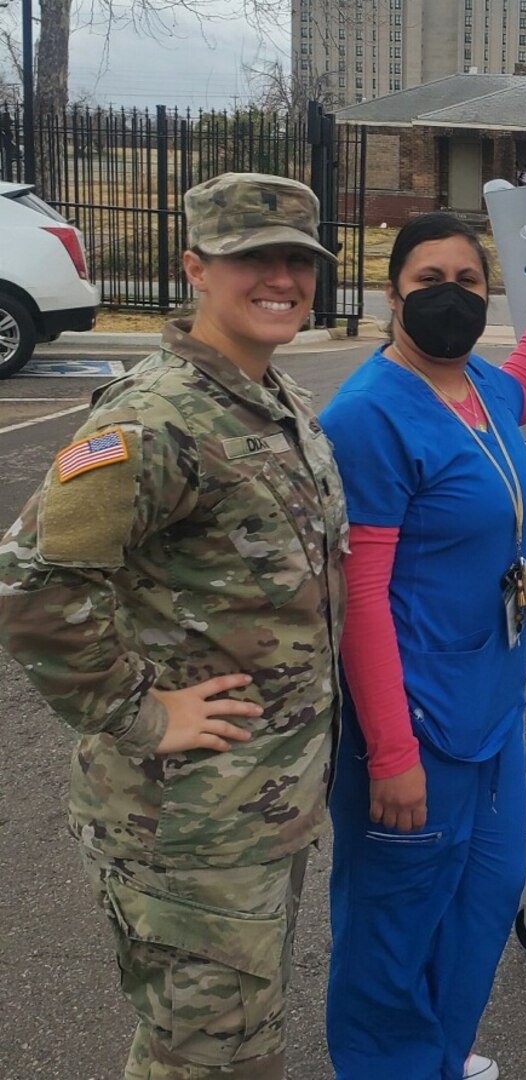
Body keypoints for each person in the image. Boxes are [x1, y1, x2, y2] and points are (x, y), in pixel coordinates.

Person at [0, 172, 346, 1077]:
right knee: (208, 1057)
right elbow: (29, 586)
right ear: (195, 266)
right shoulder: (154, 417)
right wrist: (145, 715)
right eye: (250, 259)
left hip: (257, 811)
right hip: (183, 822)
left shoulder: (272, 399)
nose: (281, 278)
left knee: (229, 1044)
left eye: (296, 260)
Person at [320, 213, 526, 1078]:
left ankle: (437, 1055)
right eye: (429, 279)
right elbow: (358, 598)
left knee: (484, 898)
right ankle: (386, 1066)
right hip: (416, 725)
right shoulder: (367, 416)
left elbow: (525, 375)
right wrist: (393, 752)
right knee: (393, 924)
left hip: (490, 706)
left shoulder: (476, 387)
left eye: (469, 281)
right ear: (392, 294)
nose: (450, 295)